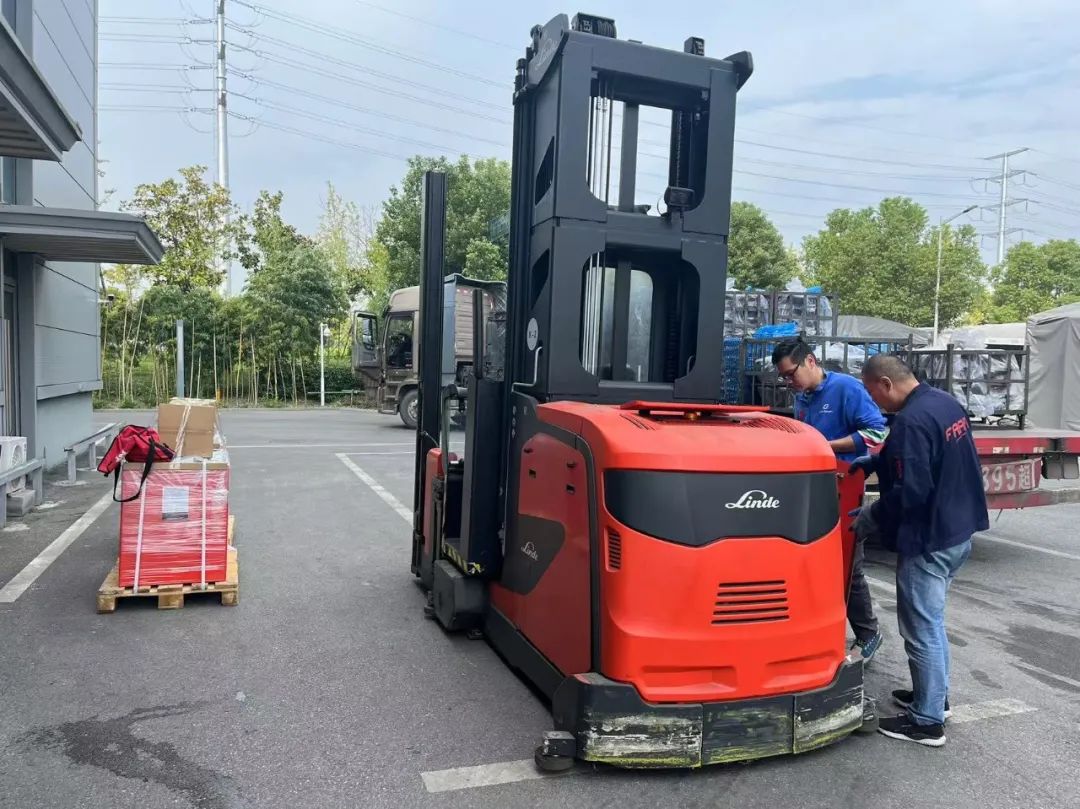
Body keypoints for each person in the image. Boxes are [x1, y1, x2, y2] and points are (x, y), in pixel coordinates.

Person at [850, 354, 988, 747]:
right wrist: (879, 460)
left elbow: (912, 491)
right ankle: (934, 698)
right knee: (933, 621)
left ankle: (927, 722)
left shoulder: (910, 421)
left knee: (921, 628)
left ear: (886, 383)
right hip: (958, 530)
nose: (875, 402)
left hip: (930, 539)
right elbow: (932, 458)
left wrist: (872, 516)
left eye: (873, 393)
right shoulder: (944, 403)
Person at [771, 339, 887, 663]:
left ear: (810, 361)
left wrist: (825, 446)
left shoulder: (846, 389)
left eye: (791, 374)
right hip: (812, 488)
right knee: (810, 563)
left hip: (844, 487)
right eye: (784, 377)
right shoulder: (802, 397)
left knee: (847, 564)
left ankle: (868, 633)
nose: (789, 382)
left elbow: (877, 434)